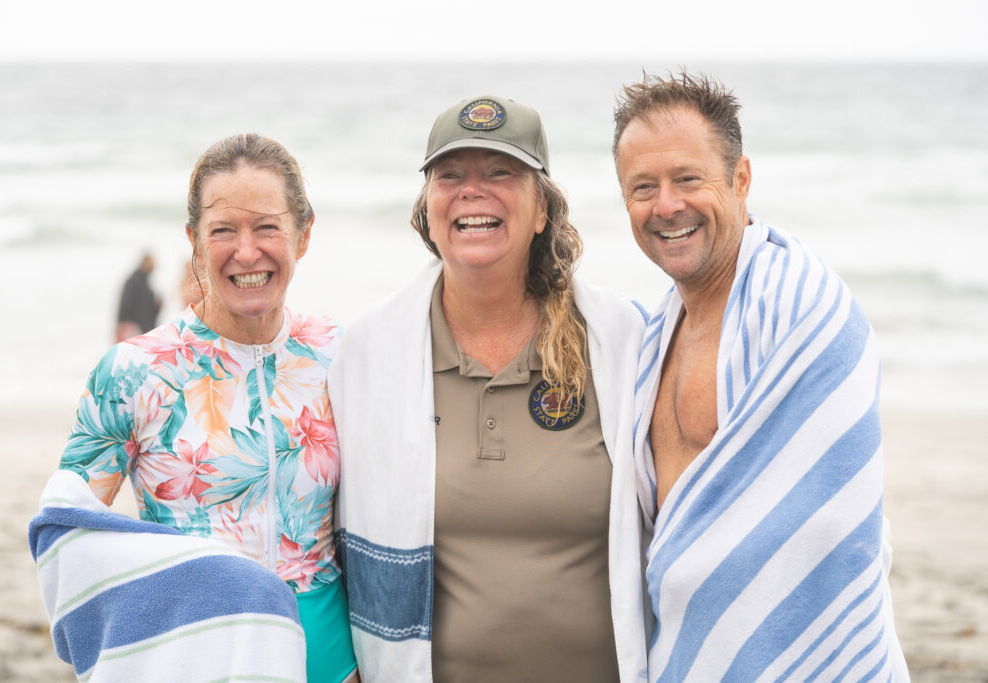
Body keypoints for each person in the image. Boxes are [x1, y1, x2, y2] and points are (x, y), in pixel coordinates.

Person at [329, 96, 648, 682]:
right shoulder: (369, 352)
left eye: (502, 173)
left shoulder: (621, 341)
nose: (473, 191)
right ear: (428, 210)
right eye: (450, 176)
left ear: (542, 210)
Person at [613, 72, 909, 681]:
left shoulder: (800, 306)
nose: (666, 205)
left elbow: (824, 526)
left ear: (740, 179)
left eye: (688, 179)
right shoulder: (653, 336)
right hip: (686, 652)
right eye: (644, 187)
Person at [46, 134, 358, 683]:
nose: (246, 251)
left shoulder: (342, 355)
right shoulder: (132, 373)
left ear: (303, 234)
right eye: (222, 231)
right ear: (193, 241)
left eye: (267, 226)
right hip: (192, 655)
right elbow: (64, 536)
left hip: (332, 661)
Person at [115, 252, 162, 342]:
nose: (153, 266)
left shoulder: (145, 283)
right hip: (133, 328)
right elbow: (126, 305)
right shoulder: (134, 282)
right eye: (151, 263)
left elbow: (150, 311)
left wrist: (158, 305)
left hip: (139, 329)